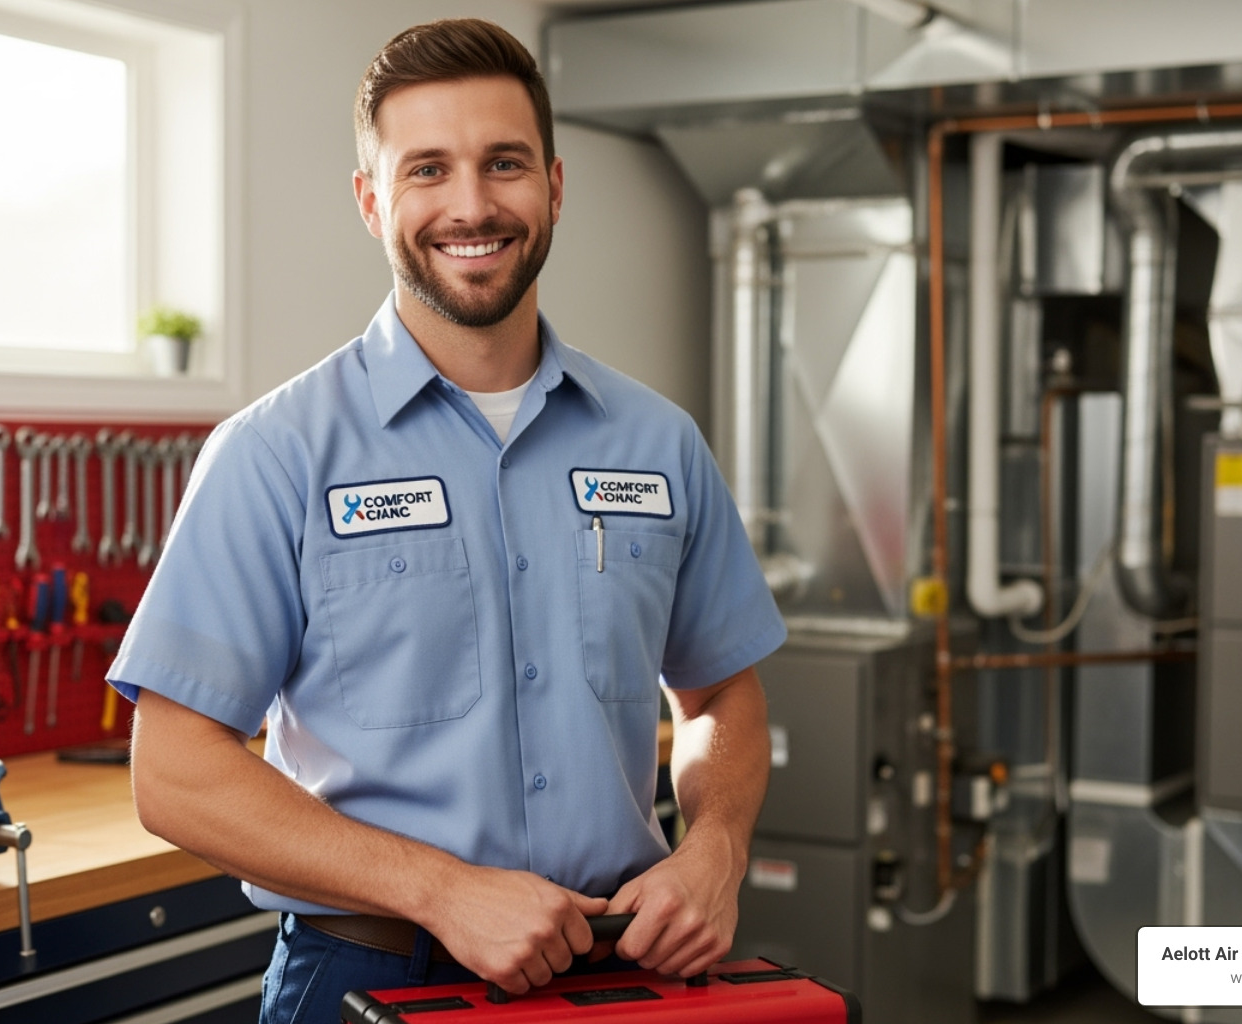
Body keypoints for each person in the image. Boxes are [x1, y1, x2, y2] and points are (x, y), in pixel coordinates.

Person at [109, 17, 787, 1024]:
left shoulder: (658, 443)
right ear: (371, 199)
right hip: (366, 978)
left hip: (617, 972)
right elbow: (172, 771)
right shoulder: (276, 453)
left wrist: (716, 845)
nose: (472, 204)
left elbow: (721, 697)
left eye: (503, 163)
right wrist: (439, 888)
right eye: (427, 169)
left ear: (554, 186)